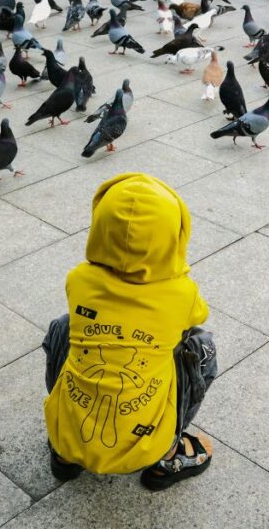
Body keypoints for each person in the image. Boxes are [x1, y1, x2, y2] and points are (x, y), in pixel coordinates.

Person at [42, 173, 218, 491]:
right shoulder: (182, 292)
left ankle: (64, 457)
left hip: (67, 434)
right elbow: (197, 316)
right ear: (175, 236)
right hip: (145, 446)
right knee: (199, 344)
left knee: (64, 326)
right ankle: (168, 456)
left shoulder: (79, 279)